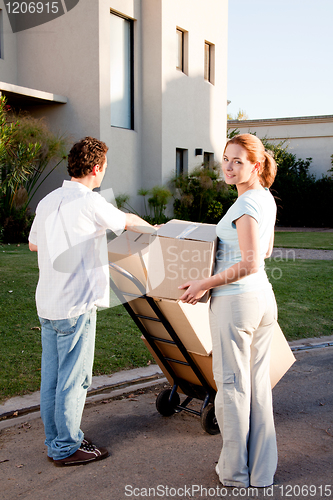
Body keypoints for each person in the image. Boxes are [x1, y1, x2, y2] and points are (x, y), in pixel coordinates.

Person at [29, 136, 153, 467]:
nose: (104, 174)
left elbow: (33, 245)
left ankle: (55, 441)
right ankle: (67, 447)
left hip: (48, 304)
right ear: (95, 168)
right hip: (75, 305)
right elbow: (126, 222)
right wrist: (155, 228)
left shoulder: (47, 201)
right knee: (74, 378)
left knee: (52, 379)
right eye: (105, 168)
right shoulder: (89, 201)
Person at [179, 133, 278, 488]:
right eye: (226, 159)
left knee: (233, 387)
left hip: (237, 304)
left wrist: (203, 283)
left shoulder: (246, 204)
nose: (229, 166)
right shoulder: (264, 199)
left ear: (255, 165)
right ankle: (262, 473)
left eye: (238, 161)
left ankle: (235, 473)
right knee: (257, 388)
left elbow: (250, 262)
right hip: (262, 301)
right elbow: (264, 253)